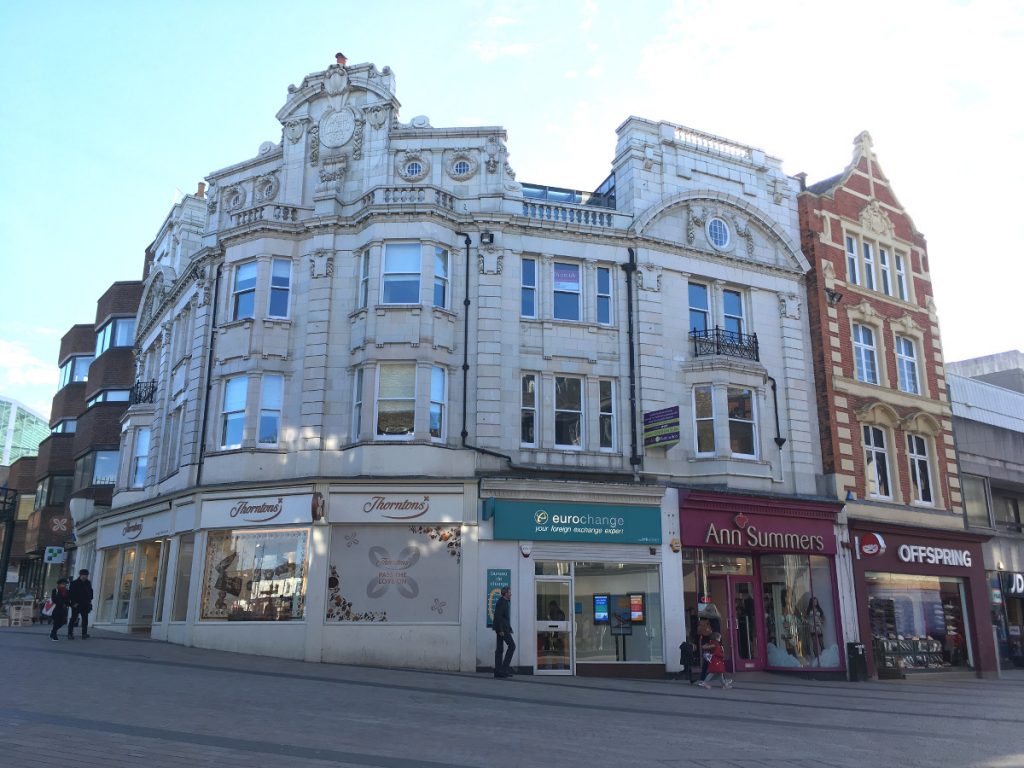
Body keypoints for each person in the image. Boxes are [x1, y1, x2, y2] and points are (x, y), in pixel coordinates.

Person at [492, 586, 516, 678]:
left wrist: (509, 628)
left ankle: (498, 671)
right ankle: (503, 669)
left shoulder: (504, 602)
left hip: (503, 628)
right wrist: (501, 630)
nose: (511, 594)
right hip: (502, 629)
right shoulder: (501, 602)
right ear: (505, 593)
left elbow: (504, 618)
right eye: (509, 593)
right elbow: (498, 617)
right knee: (512, 646)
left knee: (500, 649)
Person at [68, 569, 94, 639]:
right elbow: (71, 594)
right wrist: (74, 603)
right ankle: (70, 634)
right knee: (73, 619)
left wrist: (90, 600)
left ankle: (84, 634)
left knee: (85, 619)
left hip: (85, 604)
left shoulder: (88, 583)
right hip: (76, 604)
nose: (85, 577)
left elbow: (91, 592)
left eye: (86, 575)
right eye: (84, 575)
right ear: (80, 575)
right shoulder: (74, 583)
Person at [48, 578, 72, 642]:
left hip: (64, 609)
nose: (64, 585)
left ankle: (53, 631)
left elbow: (68, 600)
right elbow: (54, 599)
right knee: (56, 622)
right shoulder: (55, 590)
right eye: (63, 584)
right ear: (59, 584)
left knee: (63, 621)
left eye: (65, 584)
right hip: (57, 608)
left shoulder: (67, 591)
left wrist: (71, 605)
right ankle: (54, 635)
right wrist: (61, 602)